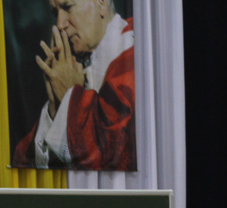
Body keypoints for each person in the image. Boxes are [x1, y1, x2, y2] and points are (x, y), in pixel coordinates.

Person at [12, 0, 136, 170]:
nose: (59, 24)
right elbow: (22, 163)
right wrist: (56, 109)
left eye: (67, 7)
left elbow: (113, 155)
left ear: (101, 3)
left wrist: (70, 97)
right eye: (55, 13)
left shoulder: (135, 58)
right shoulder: (77, 65)